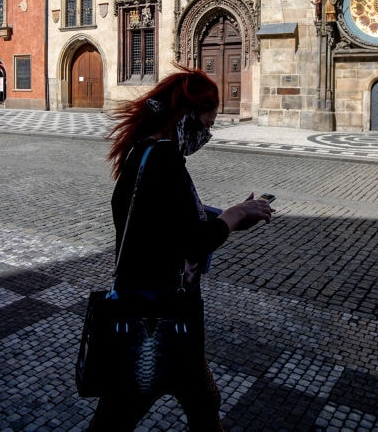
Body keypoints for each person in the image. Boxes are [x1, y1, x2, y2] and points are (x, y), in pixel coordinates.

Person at [88, 67, 275, 431]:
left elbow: (162, 221)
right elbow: (192, 241)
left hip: (167, 310)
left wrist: (227, 215)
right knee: (120, 414)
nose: (207, 134)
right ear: (185, 117)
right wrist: (234, 216)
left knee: (203, 402)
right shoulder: (162, 159)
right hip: (155, 313)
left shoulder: (144, 153)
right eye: (206, 124)